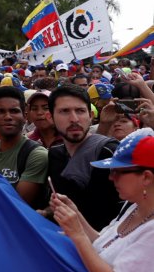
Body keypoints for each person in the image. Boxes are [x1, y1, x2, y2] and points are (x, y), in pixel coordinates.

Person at [51, 128, 154, 272]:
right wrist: (76, 216)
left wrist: (77, 234)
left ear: (146, 177)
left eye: (117, 172)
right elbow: (106, 245)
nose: (110, 177)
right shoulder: (133, 205)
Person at [46, 85, 120, 230]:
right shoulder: (55, 154)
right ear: (51, 117)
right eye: (64, 111)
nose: (74, 119)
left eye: (80, 111)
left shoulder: (110, 153)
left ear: (91, 116)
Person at [0, 86, 48, 207]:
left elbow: (16, 205)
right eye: (1, 111)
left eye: (14, 111)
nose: (8, 117)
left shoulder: (36, 155)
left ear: (25, 116)